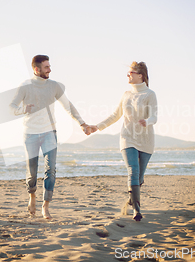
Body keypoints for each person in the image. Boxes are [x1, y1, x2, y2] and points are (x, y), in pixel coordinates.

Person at [10, 55, 91, 219]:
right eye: (46, 67)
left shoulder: (54, 86)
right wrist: (23, 109)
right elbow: (12, 107)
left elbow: (69, 106)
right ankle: (32, 195)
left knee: (51, 170)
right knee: (32, 172)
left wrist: (82, 123)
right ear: (36, 69)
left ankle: (45, 206)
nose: (50, 69)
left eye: (49, 66)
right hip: (30, 133)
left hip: (50, 132)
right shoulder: (25, 86)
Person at [89, 61, 157, 221]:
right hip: (127, 138)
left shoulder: (149, 94)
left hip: (146, 140)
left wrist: (147, 121)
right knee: (133, 171)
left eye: (131, 73)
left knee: (139, 178)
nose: (128, 75)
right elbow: (115, 115)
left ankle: (132, 199)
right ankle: (137, 210)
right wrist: (97, 127)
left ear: (140, 75)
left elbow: (154, 116)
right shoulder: (126, 94)